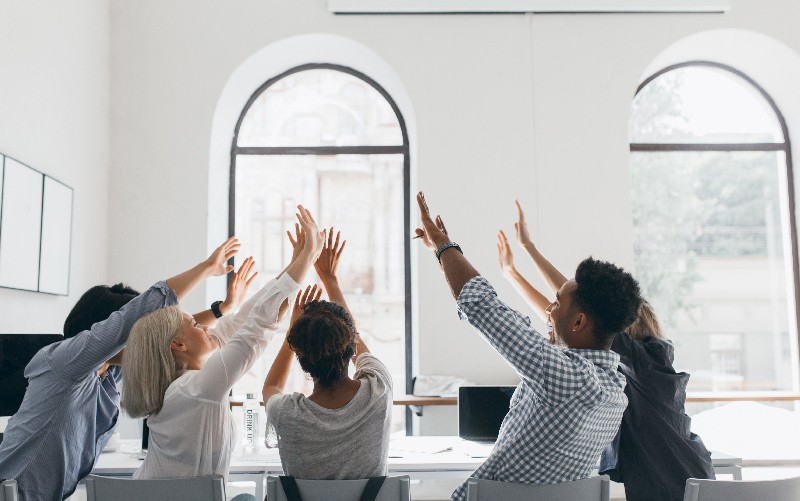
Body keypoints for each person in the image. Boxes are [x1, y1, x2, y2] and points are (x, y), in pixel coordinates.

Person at [413, 192, 641, 501]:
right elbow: (515, 327)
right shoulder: (614, 391)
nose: (549, 310)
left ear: (578, 323)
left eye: (557, 304)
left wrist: (443, 245)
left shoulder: (569, 379)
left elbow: (484, 308)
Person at [497, 200, 714, 501]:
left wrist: (529, 249)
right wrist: (513, 274)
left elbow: (579, 305)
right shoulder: (648, 369)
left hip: (675, 485)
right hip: (688, 476)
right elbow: (563, 317)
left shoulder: (643, 360)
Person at [0, 237, 242, 501]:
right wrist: (206, 267)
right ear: (108, 334)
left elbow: (174, 335)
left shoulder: (110, 373)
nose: (145, 339)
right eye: (135, 331)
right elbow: (149, 317)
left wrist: (220, 311)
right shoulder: (65, 364)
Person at [120, 206, 323, 482]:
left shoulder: (182, 389)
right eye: (194, 324)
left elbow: (242, 321)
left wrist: (296, 264)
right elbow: (256, 327)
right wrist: (308, 256)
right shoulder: (194, 391)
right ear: (179, 345)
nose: (205, 326)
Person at [262, 228, 393, 480]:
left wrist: (293, 329)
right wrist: (330, 279)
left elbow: (271, 386)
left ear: (298, 351)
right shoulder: (379, 389)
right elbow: (355, 338)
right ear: (350, 346)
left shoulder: (286, 414)